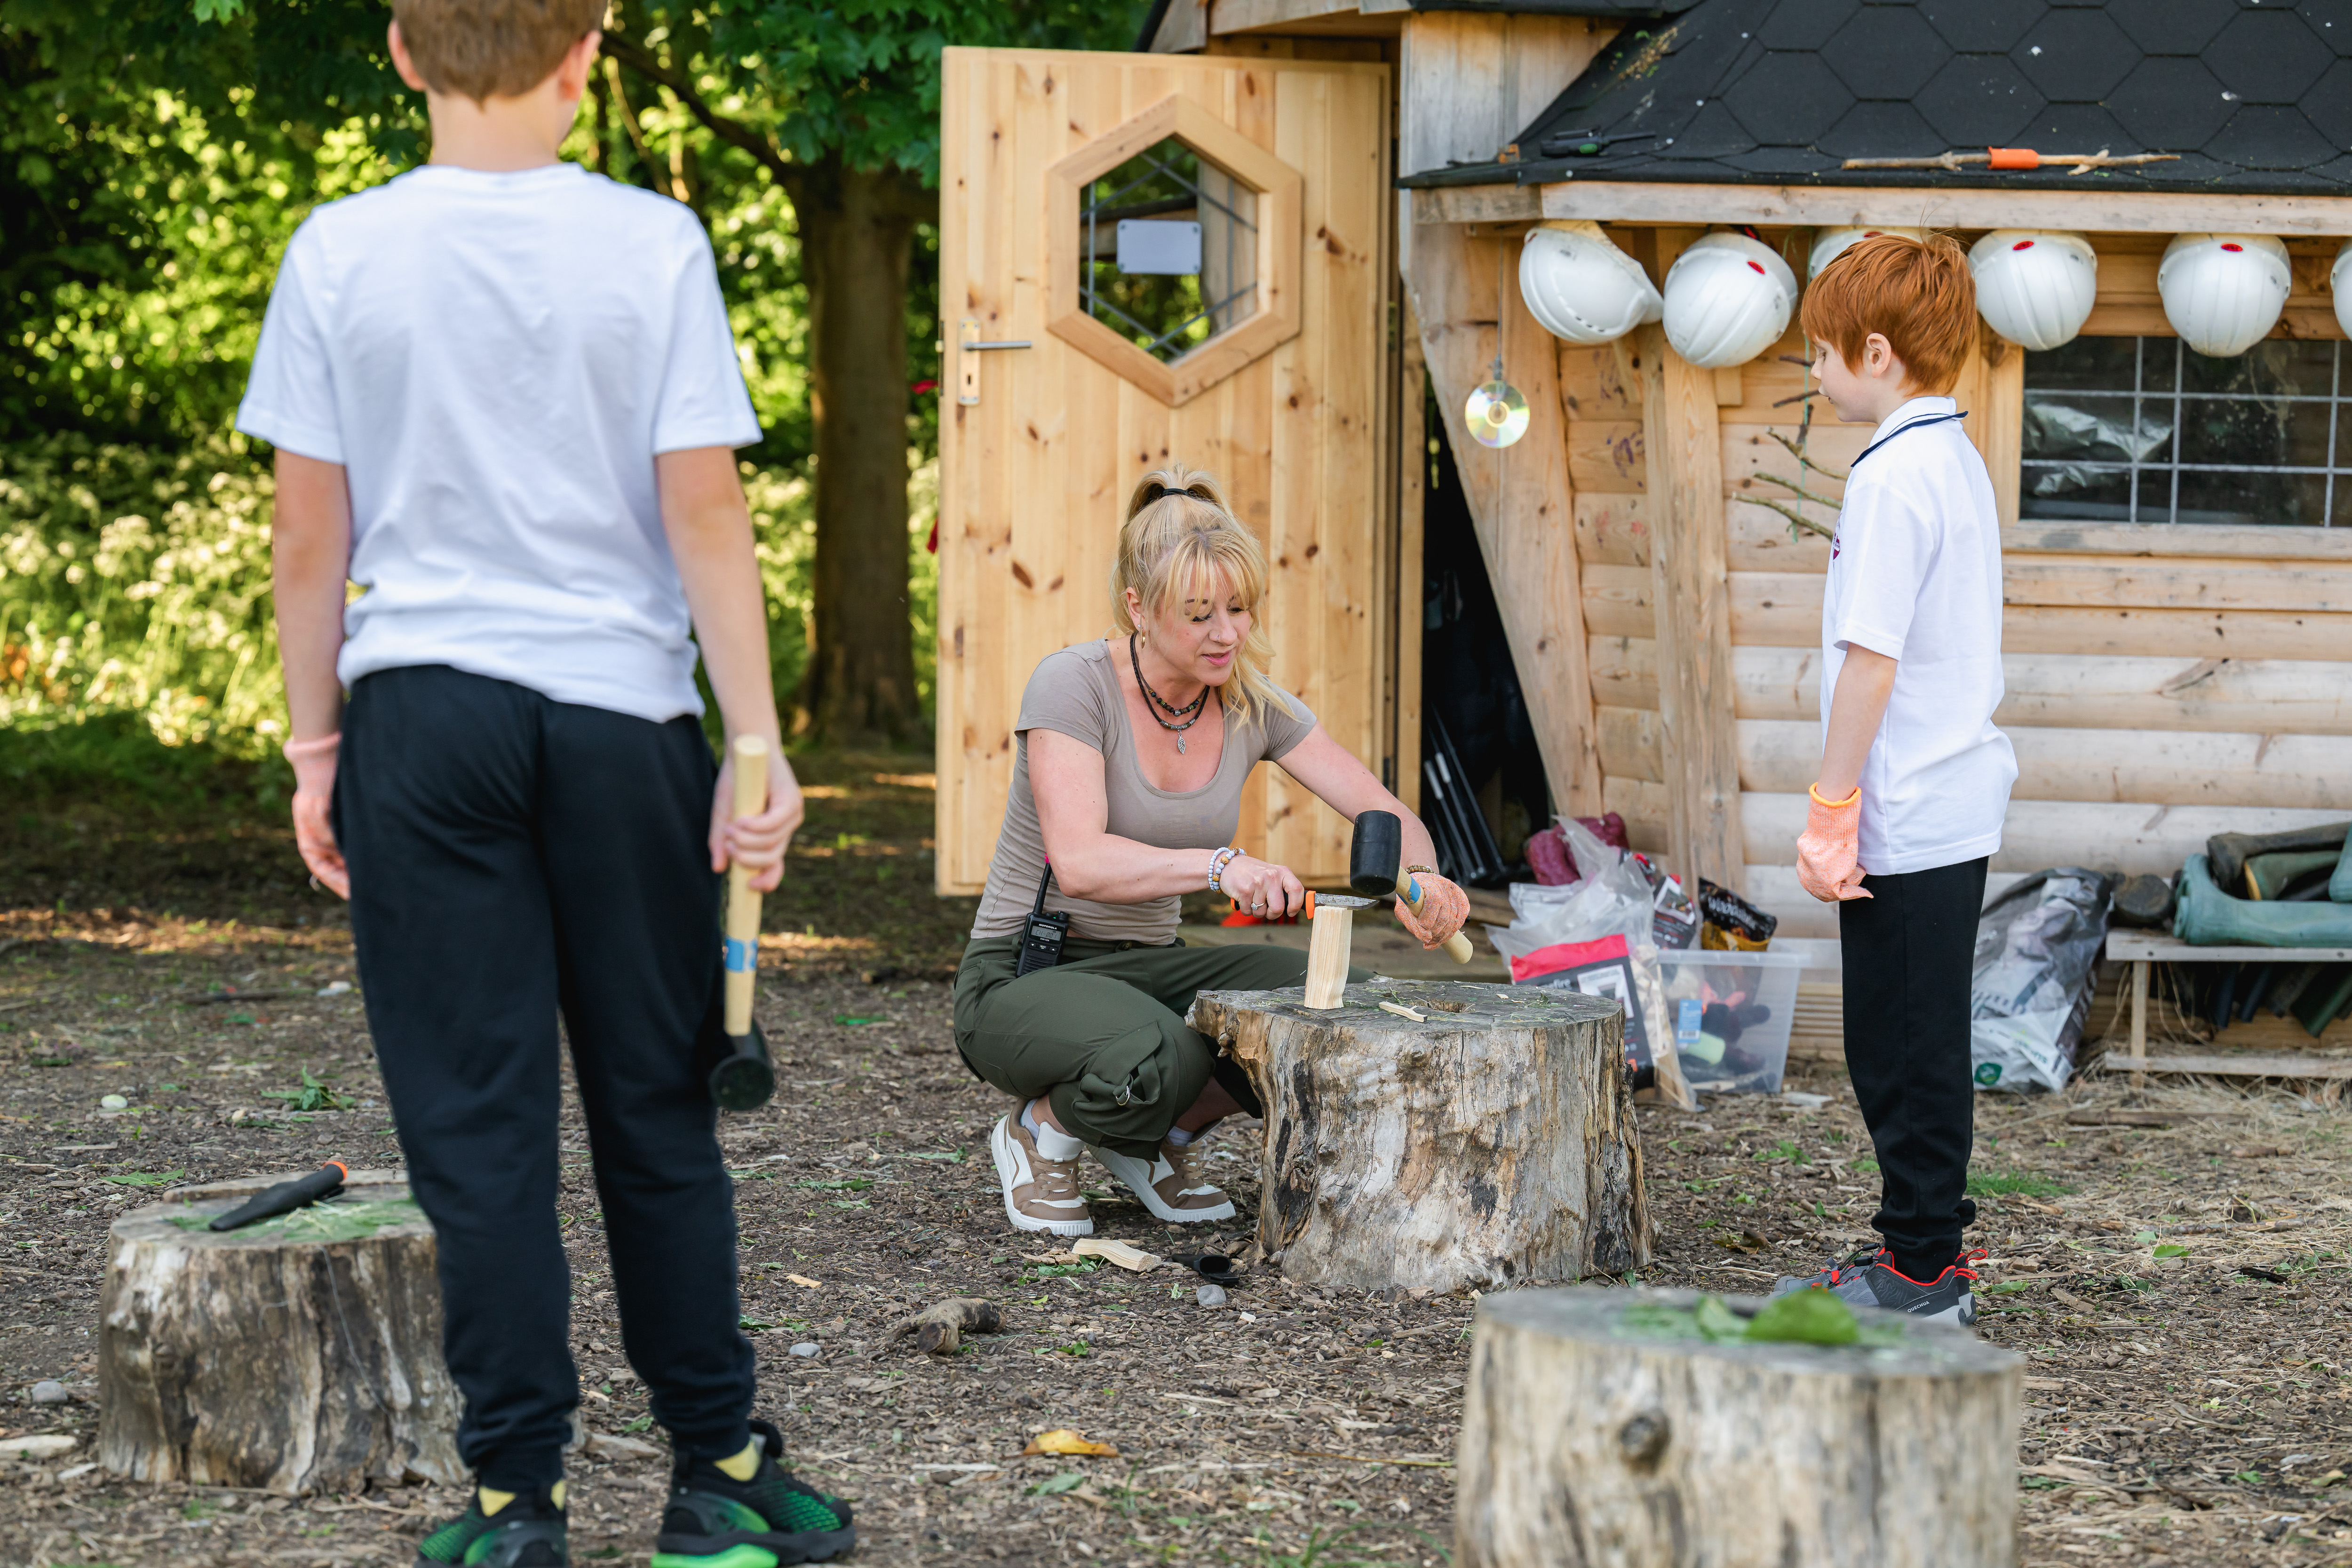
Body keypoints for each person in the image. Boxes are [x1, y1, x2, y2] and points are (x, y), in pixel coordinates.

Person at [242, 1, 854, 1562]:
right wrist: (756, 741)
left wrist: (318, 746)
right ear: (585, 53)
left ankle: (518, 1502)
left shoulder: (337, 251)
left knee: (478, 1130)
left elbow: (309, 534)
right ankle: (719, 1472)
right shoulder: (653, 243)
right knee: (659, 1106)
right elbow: (704, 511)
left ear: (402, 49)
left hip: (422, 719)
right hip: (619, 720)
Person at [956, 467, 1471, 1237]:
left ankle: (1155, 1137)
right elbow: (1080, 861)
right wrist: (1222, 864)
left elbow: (1385, 811)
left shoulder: (1250, 702)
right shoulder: (1073, 685)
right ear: (1138, 607)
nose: (1227, 633)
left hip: (1148, 966)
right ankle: (1039, 1133)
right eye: (1200, 614)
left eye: (1238, 607)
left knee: (1338, 1001)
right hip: (1025, 973)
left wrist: (1423, 879)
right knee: (1158, 1049)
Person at [1774, 232, 2018, 1326]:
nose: (1814, 371)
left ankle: (1921, 1273)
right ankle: (1918, 1246)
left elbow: (1870, 658)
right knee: (1910, 1036)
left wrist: (1831, 807)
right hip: (1941, 794)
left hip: (1909, 805)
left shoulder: (1889, 473)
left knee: (1901, 1048)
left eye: (1820, 352)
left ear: (1874, 353)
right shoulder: (1948, 454)